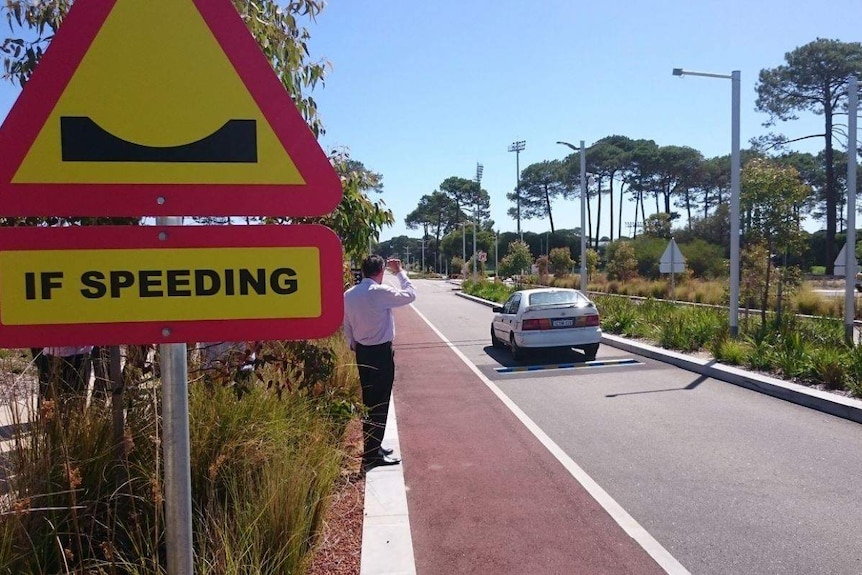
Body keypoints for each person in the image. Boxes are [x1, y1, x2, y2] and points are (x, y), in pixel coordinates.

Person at [343, 255, 415, 471]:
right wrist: (400, 272)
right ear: (380, 271)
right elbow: (410, 295)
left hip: (362, 352)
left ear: (363, 271)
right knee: (380, 403)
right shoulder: (379, 292)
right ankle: (372, 454)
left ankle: (373, 447)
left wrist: (353, 345)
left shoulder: (348, 294)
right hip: (380, 353)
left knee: (369, 401)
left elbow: (346, 324)